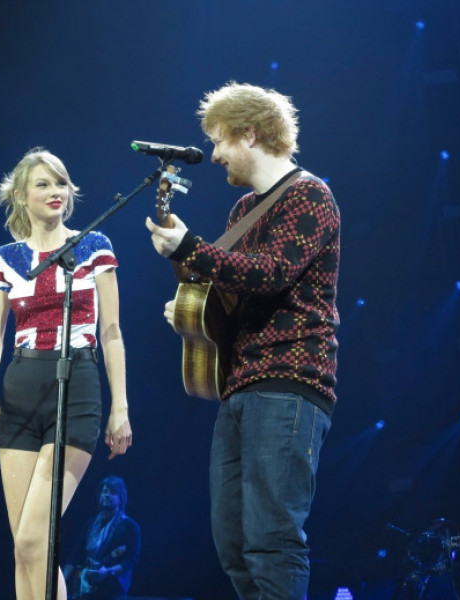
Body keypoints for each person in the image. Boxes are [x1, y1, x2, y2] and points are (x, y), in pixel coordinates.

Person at [144, 81, 340, 600]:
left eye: (219, 141)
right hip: (239, 385)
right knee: (233, 543)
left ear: (250, 134)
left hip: (289, 383)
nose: (213, 156)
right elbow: (231, 291)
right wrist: (190, 301)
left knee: (271, 540)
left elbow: (271, 273)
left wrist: (191, 247)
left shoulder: (310, 195)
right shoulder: (240, 214)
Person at [0, 148, 133, 600]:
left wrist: (121, 407)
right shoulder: (6, 258)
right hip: (20, 391)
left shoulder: (94, 246)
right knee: (24, 550)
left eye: (61, 183)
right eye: (43, 184)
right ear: (22, 195)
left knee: (33, 538)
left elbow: (112, 331)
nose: (56, 192)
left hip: (76, 384)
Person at [62, 475, 141, 600]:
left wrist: (108, 571)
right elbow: (75, 554)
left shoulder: (129, 526)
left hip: (113, 589)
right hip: (86, 586)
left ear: (121, 497)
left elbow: (131, 560)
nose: (106, 495)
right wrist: (61, 581)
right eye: (104, 492)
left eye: (112, 492)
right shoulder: (90, 524)